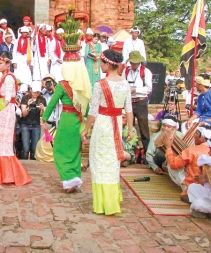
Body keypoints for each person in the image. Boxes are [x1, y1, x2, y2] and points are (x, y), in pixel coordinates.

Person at [81, 49, 134, 215]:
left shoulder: (100, 84)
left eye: (102, 63)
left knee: (98, 161)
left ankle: (103, 203)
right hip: (117, 124)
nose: (100, 66)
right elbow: (129, 109)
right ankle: (113, 200)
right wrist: (130, 129)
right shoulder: (125, 84)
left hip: (103, 124)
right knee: (111, 162)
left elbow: (93, 111)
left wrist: (86, 129)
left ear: (108, 64)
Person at [42, 41, 92, 193]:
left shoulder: (62, 85)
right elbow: (87, 107)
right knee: (75, 150)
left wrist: (44, 118)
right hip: (79, 121)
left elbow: (51, 105)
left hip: (66, 120)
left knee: (60, 150)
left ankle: (69, 179)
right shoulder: (83, 84)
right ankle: (75, 178)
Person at [0, 52, 32, 186]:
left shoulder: (8, 78)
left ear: (8, 64)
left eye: (0, 63)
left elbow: (7, 99)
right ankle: (2, 175)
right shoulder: (4, 77)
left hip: (5, 111)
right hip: (3, 110)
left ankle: (8, 175)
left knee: (3, 142)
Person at [162, 126, 211, 202]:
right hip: (210, 187)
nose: (193, 136)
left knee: (170, 163)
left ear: (203, 138)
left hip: (193, 185)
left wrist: (168, 148)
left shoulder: (192, 150)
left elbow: (173, 165)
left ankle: (185, 188)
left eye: (196, 133)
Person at [122, 51, 152, 153]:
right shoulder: (126, 71)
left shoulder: (146, 72)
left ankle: (147, 154)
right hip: (129, 101)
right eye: (132, 63)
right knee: (129, 128)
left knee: (144, 129)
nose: (134, 65)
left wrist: (136, 90)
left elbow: (149, 88)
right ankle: (130, 152)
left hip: (140, 101)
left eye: (136, 63)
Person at [20, 81, 47, 160]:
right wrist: (28, 106)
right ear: (31, 89)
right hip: (25, 124)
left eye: (38, 92)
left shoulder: (42, 99)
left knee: (34, 148)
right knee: (26, 148)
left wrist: (43, 109)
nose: (36, 93)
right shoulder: (25, 98)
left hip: (36, 125)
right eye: (35, 91)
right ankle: (24, 164)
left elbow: (43, 115)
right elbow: (24, 113)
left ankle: (33, 164)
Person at [13, 26, 33, 92]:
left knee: (26, 75)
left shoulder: (29, 41)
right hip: (18, 59)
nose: (24, 34)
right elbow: (14, 51)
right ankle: (18, 90)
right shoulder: (17, 40)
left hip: (26, 60)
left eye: (26, 32)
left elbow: (31, 51)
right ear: (21, 33)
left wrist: (31, 63)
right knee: (18, 75)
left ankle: (24, 90)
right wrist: (14, 62)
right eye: (23, 32)